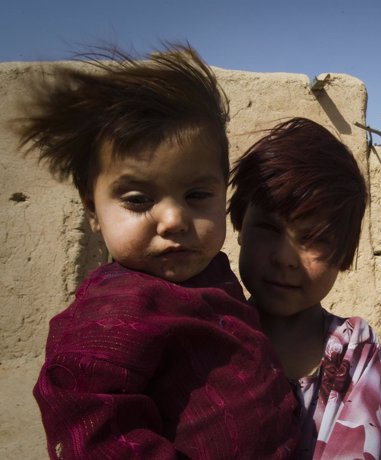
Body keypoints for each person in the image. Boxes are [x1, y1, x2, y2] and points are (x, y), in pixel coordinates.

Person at [17, 43, 300, 459]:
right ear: (93, 210)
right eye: (137, 199)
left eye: (197, 194)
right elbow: (95, 433)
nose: (173, 221)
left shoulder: (212, 271)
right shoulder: (113, 313)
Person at [228, 117, 381, 460]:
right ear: (240, 225)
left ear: (343, 254)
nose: (286, 258)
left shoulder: (354, 348)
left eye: (314, 239)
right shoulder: (211, 330)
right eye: (268, 228)